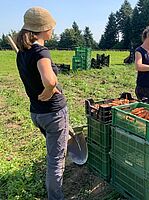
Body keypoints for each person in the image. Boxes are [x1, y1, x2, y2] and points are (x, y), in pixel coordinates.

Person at [16, 7, 68, 199]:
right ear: (42, 28)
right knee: (55, 160)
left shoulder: (22, 53)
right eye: (50, 27)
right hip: (53, 113)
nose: (53, 30)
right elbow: (50, 81)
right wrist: (49, 90)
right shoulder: (40, 52)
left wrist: (47, 89)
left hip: (37, 114)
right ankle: (56, 197)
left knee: (53, 151)